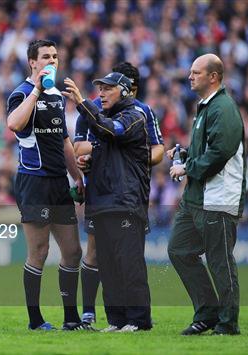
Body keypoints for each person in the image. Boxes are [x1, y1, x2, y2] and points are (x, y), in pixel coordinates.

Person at [6, 39, 89, 331]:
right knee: (39, 252)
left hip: (58, 182)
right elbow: (14, 124)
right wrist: (38, 89)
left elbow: (64, 139)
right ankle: (35, 319)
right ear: (32, 62)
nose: (51, 60)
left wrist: (77, 177)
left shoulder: (56, 95)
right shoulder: (22, 93)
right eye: (45, 56)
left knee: (73, 251)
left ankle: (70, 317)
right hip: (34, 182)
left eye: (55, 56)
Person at [73, 62, 164, 324]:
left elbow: (112, 132)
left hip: (125, 197)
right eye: (100, 88)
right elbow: (86, 146)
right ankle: (116, 320)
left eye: (108, 88)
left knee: (129, 262)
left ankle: (137, 319)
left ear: (127, 91)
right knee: (109, 264)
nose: (101, 93)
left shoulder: (136, 114)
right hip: (100, 197)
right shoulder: (97, 113)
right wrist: (94, 159)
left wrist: (130, 159)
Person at [168, 54, 246, 336]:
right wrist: (187, 154)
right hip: (197, 198)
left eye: (196, 72)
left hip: (219, 198)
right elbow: (209, 149)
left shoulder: (222, 107)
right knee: (179, 250)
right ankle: (208, 312)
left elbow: (220, 153)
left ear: (213, 77)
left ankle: (227, 323)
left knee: (219, 261)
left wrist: (186, 167)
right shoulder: (206, 107)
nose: (190, 76)